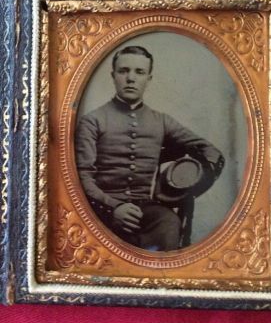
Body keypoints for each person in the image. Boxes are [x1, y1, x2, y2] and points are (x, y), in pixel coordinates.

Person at [75, 46, 224, 251]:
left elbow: (212, 153)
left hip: (148, 211)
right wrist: (113, 207)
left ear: (149, 79)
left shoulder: (161, 121)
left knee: (169, 224)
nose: (130, 78)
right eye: (123, 71)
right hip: (101, 210)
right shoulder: (92, 121)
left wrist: (187, 187)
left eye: (139, 72)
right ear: (113, 75)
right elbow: (82, 177)